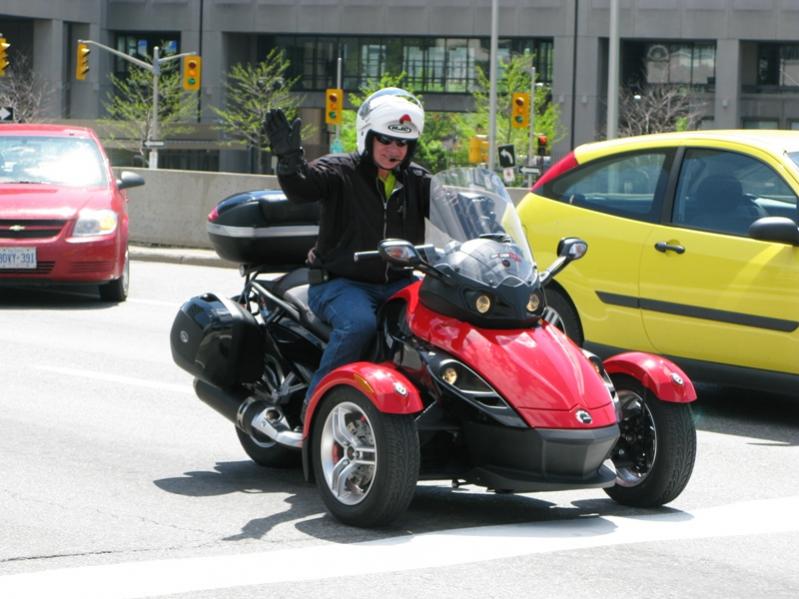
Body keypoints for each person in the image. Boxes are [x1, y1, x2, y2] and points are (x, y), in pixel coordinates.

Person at [264, 88, 432, 419]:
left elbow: (453, 210)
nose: (393, 150)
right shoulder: (340, 170)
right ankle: (316, 409)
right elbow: (303, 187)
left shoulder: (417, 180)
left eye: (402, 143)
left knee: (439, 321)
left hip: (398, 281)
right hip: (340, 282)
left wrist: (485, 219)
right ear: (367, 137)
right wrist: (289, 161)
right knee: (359, 325)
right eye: (385, 140)